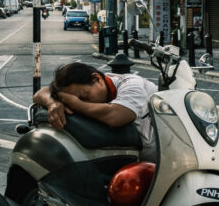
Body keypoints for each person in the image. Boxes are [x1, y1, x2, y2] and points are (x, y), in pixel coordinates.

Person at [32, 62, 160, 159]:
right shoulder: (81, 87)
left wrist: (76, 103)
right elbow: (41, 93)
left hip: (163, 161)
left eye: (84, 96)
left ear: (97, 79)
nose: (85, 102)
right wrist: (53, 103)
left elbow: (117, 116)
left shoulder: (132, 84)